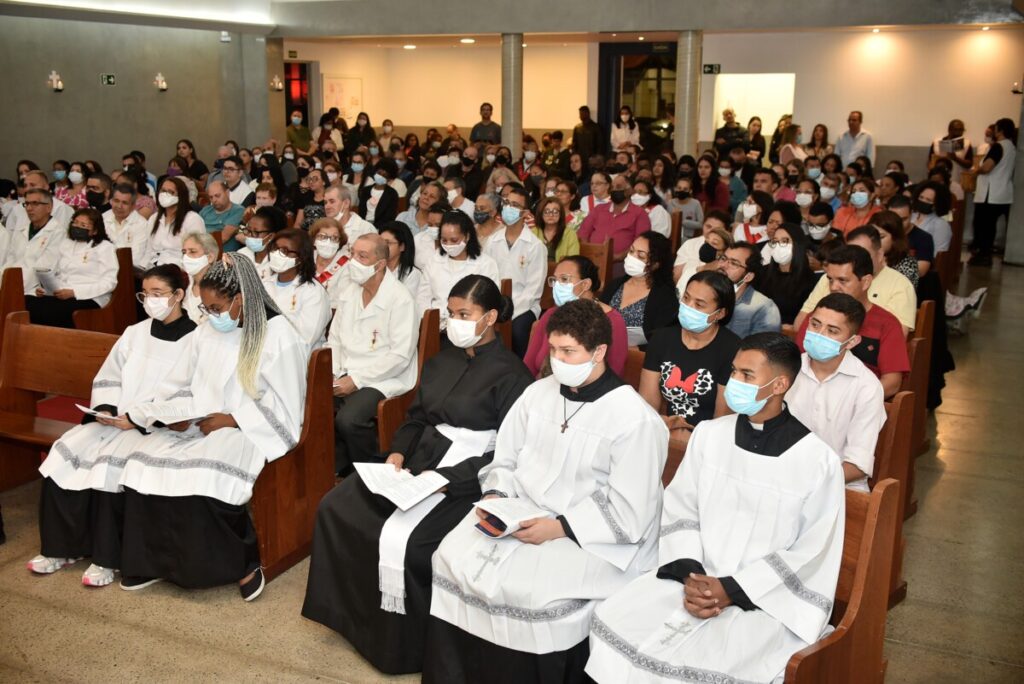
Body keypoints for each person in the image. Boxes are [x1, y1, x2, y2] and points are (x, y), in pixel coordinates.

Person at [425, 298, 668, 683]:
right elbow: (504, 459)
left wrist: (560, 528)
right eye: (553, 349)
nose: (557, 360)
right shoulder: (538, 394)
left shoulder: (634, 419)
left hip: (591, 535)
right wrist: (496, 498)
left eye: (569, 352)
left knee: (530, 592)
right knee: (450, 556)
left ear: (600, 351)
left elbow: (631, 509)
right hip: (520, 512)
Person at [304, 274, 531, 674]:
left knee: (413, 545)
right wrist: (395, 453)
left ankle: (400, 647)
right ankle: (354, 619)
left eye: (465, 314)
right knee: (336, 506)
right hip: (419, 458)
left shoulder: (514, 375)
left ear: (491, 317)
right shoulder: (442, 360)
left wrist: (447, 479)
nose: (455, 321)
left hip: (467, 475)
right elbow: (416, 416)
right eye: (451, 313)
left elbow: (508, 452)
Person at [586, 333, 845, 684]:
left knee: (707, 667)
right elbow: (681, 508)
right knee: (614, 621)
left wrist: (732, 589)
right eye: (734, 371)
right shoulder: (710, 435)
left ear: (780, 384)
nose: (734, 381)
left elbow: (812, 553)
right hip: (693, 579)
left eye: (747, 376)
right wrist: (693, 574)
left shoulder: (817, 462)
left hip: (763, 600)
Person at [98, 254, 305, 599]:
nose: (209, 316)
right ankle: (149, 564)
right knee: (140, 463)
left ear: (240, 299)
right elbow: (181, 382)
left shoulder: (279, 335)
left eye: (215, 307)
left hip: (248, 429)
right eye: (205, 308)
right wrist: (172, 415)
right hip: (197, 421)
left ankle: (242, 563)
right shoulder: (208, 330)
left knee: (202, 476)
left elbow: (286, 406)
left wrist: (234, 419)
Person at [30, 265, 197, 587]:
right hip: (116, 418)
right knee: (66, 451)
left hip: (156, 426)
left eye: (158, 294)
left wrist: (140, 418)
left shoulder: (194, 339)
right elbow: (110, 375)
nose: (150, 300)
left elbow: (187, 393)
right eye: (145, 294)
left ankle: (106, 559)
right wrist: (105, 408)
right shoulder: (134, 332)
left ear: (178, 295)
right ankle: (62, 548)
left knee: (109, 468)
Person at [327, 232, 419, 474]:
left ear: (379, 264)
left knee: (350, 419)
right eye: (352, 254)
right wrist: (335, 373)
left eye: (362, 256)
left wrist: (356, 380)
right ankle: (338, 465)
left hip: (384, 377)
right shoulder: (350, 292)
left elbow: (400, 356)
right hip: (346, 371)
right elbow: (334, 338)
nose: (353, 261)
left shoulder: (400, 299)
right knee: (312, 406)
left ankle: (370, 472)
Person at [788, 293, 886, 491]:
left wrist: (811, 484)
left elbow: (857, 465)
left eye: (832, 331)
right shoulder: (787, 369)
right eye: (815, 324)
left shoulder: (866, 386)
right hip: (783, 478)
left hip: (839, 486)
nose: (819, 334)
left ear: (852, 342)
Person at [795, 244, 910, 398]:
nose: (834, 287)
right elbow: (795, 365)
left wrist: (851, 402)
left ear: (866, 282)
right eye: (830, 280)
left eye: (843, 281)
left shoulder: (887, 324)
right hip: (809, 396)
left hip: (859, 403)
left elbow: (892, 383)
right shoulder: (817, 318)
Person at [640, 270, 738, 449]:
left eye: (699, 304)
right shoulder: (662, 339)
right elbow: (647, 404)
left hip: (708, 442)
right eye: (686, 298)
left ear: (720, 313)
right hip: (664, 432)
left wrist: (692, 437)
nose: (688, 307)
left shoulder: (732, 350)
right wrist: (662, 426)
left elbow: (722, 419)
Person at [798, 225, 916, 335]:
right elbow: (800, 324)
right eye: (850, 253)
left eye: (864, 253)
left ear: (879, 255)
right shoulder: (830, 278)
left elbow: (896, 337)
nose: (834, 286)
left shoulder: (900, 285)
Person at [524, 255, 628, 378]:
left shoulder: (612, 321)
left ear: (585, 284)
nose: (557, 286)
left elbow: (613, 373)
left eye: (564, 279)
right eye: (555, 280)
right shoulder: (550, 315)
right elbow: (527, 367)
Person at [482, 187, 550, 357]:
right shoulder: (492, 241)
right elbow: (486, 276)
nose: (508, 207)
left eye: (515, 205)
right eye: (506, 203)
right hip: (493, 302)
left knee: (517, 331)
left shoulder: (535, 246)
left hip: (523, 307)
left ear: (525, 212)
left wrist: (507, 311)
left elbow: (533, 291)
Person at [25, 208, 118, 328]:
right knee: (27, 301)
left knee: (54, 311)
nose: (77, 227)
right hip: (63, 293)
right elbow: (59, 274)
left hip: (90, 296)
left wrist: (74, 292)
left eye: (83, 225)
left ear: (94, 230)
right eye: (75, 223)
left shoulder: (105, 247)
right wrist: (47, 290)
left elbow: (109, 283)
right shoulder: (66, 244)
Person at [422, 211, 500, 331]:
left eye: (454, 240)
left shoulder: (486, 264)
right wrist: (429, 321)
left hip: (470, 327)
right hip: (436, 327)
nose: (448, 245)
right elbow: (422, 297)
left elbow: (489, 302)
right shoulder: (433, 261)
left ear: (467, 236)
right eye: (444, 240)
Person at [601, 231, 677, 348]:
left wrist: (639, 349)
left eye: (641, 256)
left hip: (638, 357)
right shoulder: (615, 285)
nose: (632, 257)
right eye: (631, 251)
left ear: (655, 264)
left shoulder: (665, 297)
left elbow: (663, 338)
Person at [262, 228, 331, 350]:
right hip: (265, 348)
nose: (277, 254)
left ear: (300, 258)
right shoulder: (265, 284)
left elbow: (306, 338)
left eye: (284, 251)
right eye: (275, 248)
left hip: (296, 355)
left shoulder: (313, 292)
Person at [578, 174, 652, 276]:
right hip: (592, 261)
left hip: (622, 263)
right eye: (612, 187)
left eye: (619, 187)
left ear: (629, 191)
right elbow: (583, 234)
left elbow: (641, 243)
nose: (614, 190)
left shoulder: (640, 214)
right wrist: (588, 255)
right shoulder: (599, 209)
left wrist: (618, 257)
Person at [970, 118, 1016, 266]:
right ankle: (985, 253)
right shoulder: (1012, 147)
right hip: (1003, 192)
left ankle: (983, 255)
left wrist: (977, 171)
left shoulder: (998, 147)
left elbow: (988, 167)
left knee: (983, 226)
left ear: (1000, 130)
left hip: (990, 194)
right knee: (990, 226)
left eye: (995, 129)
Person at [756, 222, 818, 325]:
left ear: (797, 244)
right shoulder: (761, 273)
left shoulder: (810, 281)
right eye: (775, 241)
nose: (779, 246)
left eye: (785, 241)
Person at [717, 242, 781, 337]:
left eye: (734, 263)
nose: (723, 266)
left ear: (748, 276)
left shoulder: (764, 308)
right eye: (723, 259)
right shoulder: (706, 292)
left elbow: (763, 350)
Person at [140, 176, 203, 269]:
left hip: (178, 269)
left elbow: (196, 252)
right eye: (163, 191)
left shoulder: (192, 219)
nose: (165, 194)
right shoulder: (154, 218)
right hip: (153, 267)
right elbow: (148, 249)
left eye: (171, 192)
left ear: (180, 196)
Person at [380, 221, 430, 317]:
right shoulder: (374, 268)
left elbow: (404, 306)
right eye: (380, 242)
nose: (383, 247)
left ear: (402, 246)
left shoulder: (413, 274)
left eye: (388, 243)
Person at [673, 210, 732, 284]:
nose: (711, 231)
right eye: (708, 226)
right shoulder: (690, 244)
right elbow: (676, 276)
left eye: (717, 229)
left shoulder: (729, 252)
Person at [103, 183, 150, 267]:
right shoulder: (102, 218)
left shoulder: (141, 224)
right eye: (116, 201)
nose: (119, 206)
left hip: (127, 270)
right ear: (111, 201)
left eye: (124, 203)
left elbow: (135, 257)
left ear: (133, 206)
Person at [888, 195, 934, 278]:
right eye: (894, 219)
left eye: (904, 219)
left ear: (911, 214)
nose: (899, 223)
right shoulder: (883, 235)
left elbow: (921, 270)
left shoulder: (924, 238)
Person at [872, 210, 920, 288]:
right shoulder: (868, 257)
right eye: (872, 236)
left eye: (881, 237)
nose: (875, 240)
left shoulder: (908, 263)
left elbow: (900, 293)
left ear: (895, 238)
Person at [235, 206, 285, 280]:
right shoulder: (241, 255)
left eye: (256, 232)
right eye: (248, 230)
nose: (249, 235)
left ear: (271, 236)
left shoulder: (280, 262)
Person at [180, 231, 219, 323]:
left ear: (210, 257)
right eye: (184, 252)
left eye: (192, 251)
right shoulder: (183, 283)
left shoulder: (220, 287)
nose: (186, 257)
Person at [308, 217, 349, 298]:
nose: (328, 242)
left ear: (340, 242)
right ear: (313, 240)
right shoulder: (306, 258)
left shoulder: (347, 265)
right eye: (322, 237)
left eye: (334, 238)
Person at [199, 180, 245, 251]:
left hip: (222, 255)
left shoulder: (238, 211)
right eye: (211, 197)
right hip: (200, 250)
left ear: (227, 193)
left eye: (217, 196)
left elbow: (223, 237)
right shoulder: (205, 210)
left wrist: (198, 242)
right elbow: (194, 230)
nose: (214, 200)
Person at [532, 196, 580, 262]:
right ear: (541, 214)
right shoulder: (533, 232)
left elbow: (573, 260)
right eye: (546, 211)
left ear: (561, 214)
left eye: (555, 211)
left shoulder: (570, 234)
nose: (551, 215)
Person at [359, 159, 401, 228]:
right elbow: (361, 212)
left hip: (380, 228)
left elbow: (389, 217)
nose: (381, 176)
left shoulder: (392, 194)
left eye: (385, 175)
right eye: (379, 173)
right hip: (363, 225)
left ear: (389, 178)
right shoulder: (365, 190)